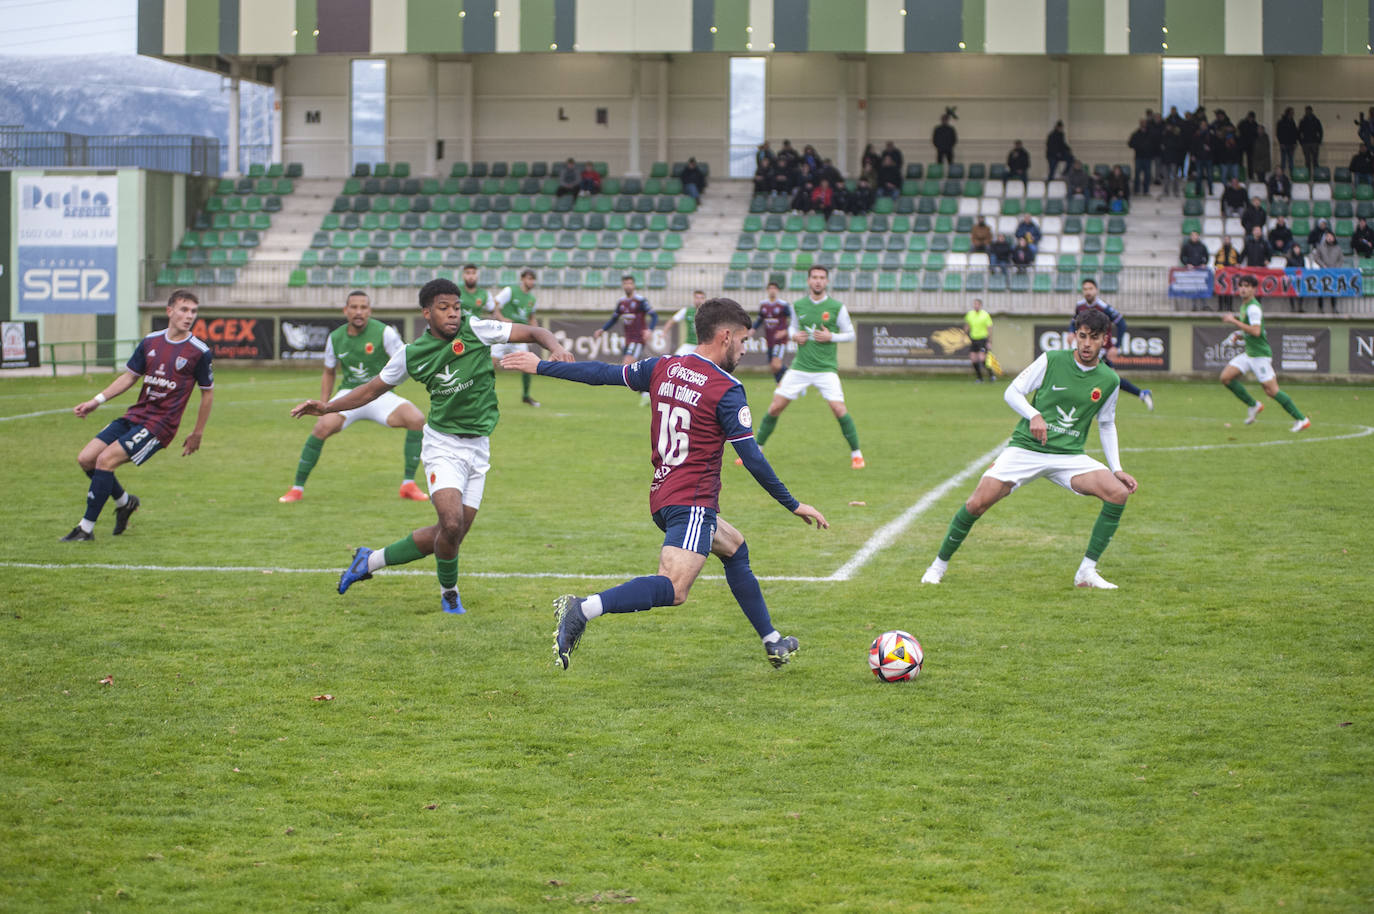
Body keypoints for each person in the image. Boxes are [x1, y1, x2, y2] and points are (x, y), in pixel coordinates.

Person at [499, 298, 829, 671]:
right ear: (725, 336)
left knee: (735, 549)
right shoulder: (726, 388)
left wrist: (543, 366)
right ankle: (583, 608)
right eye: (743, 340)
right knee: (674, 588)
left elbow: (601, 374)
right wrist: (793, 504)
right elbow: (752, 457)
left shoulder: (664, 367)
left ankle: (773, 641)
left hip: (664, 493)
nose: (744, 348)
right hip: (692, 501)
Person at [296, 278, 572, 615]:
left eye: (456, 307)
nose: (453, 314)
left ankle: (369, 560)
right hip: (442, 445)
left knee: (450, 536)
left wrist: (554, 347)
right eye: (444, 308)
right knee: (451, 524)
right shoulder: (410, 355)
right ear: (427, 313)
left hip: (479, 448)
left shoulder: (477, 329)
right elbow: (370, 390)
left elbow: (532, 332)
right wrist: (327, 407)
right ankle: (450, 594)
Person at [920, 307, 1137, 590]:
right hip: (1026, 449)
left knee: (1118, 493)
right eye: (1082, 336)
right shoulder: (1052, 360)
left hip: (1069, 456)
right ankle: (938, 566)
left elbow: (1106, 424)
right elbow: (1012, 391)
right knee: (976, 503)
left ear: (1104, 339)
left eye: (1094, 338)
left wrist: (1116, 468)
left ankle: (1086, 571)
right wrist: (1033, 414)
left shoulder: (1109, 380)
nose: (1086, 344)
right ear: (1074, 336)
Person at [62, 289, 214, 542]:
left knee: (105, 461)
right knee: (86, 459)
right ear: (169, 311)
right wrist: (96, 401)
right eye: (184, 310)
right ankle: (124, 502)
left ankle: (85, 529)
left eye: (194, 311)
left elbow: (207, 394)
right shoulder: (150, 342)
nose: (189, 316)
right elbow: (130, 376)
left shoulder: (198, 351)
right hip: (137, 414)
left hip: (160, 424)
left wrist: (197, 433)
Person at [279, 290, 429, 504]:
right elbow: (329, 371)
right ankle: (297, 488)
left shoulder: (385, 333)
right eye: (354, 307)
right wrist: (324, 404)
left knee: (416, 419)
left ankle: (408, 484)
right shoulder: (335, 338)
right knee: (321, 428)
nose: (359, 312)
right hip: (349, 395)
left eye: (363, 307)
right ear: (346, 310)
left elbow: (404, 359)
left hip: (379, 394)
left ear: (370, 310)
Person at [755, 266, 865, 469]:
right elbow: (792, 327)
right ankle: (755, 451)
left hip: (826, 369)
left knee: (839, 409)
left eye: (822, 278)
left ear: (827, 282)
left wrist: (832, 336)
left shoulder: (836, 307)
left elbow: (851, 334)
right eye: (814, 277)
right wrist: (794, 335)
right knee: (775, 406)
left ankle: (856, 454)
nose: (818, 281)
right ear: (808, 281)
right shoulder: (798, 305)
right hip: (800, 367)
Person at [1219, 274, 1310, 433]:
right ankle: (1254, 405)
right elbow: (1250, 329)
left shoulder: (1253, 308)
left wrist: (1234, 321)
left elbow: (1256, 331)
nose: (1243, 289)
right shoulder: (1244, 306)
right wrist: (1238, 334)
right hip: (1250, 354)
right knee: (1226, 377)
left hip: (1260, 356)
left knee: (1272, 391)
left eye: (1247, 286)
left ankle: (1302, 419)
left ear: (1254, 289)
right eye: (1241, 285)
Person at [1072, 279, 1153, 411]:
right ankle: (1141, 394)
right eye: (1085, 289)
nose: (1088, 292)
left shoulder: (1104, 307)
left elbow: (1121, 323)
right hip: (1088, 349)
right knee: (1106, 378)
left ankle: (1139, 394)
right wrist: (1071, 332)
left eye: (1090, 288)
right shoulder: (1080, 306)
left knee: (1109, 378)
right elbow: (1074, 321)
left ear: (1096, 290)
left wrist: (1116, 346)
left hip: (1101, 350)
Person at [594, 275, 658, 404]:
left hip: (638, 338)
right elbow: (614, 319)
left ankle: (647, 392)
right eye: (626, 283)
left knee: (626, 365)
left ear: (634, 285)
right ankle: (647, 392)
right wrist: (603, 329)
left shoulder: (640, 301)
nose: (628, 286)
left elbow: (654, 315)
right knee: (636, 368)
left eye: (630, 283)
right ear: (623, 285)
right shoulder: (621, 302)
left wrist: (649, 329)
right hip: (628, 339)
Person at [488, 268, 543, 407]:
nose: (531, 281)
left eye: (533, 279)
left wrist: (537, 333)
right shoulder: (510, 291)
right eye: (529, 278)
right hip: (503, 333)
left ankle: (526, 396)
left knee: (527, 364)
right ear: (523, 279)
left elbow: (531, 318)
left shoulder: (532, 299)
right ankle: (485, 395)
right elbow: (494, 304)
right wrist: (501, 318)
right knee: (492, 363)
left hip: (520, 335)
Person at [752, 281, 793, 384]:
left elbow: (794, 320)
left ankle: (794, 379)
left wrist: (786, 331)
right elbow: (759, 320)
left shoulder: (783, 305)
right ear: (767, 290)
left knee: (776, 364)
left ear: (777, 290)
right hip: (769, 339)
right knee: (772, 365)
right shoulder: (763, 305)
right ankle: (781, 384)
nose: (772, 290)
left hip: (780, 340)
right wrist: (752, 330)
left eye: (774, 288)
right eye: (770, 288)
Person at [1310, 231, 1344, 313]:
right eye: (1327, 236)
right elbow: (1316, 258)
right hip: (1323, 271)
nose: (1329, 238)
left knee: (1334, 290)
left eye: (1331, 236)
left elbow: (1341, 259)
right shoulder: (1320, 247)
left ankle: (1334, 308)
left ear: (1334, 238)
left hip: (1334, 271)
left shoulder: (1338, 248)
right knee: (1321, 290)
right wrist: (1323, 265)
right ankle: (1320, 308)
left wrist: (1336, 267)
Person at [666, 289, 707, 355]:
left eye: (701, 298)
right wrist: (663, 333)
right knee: (677, 357)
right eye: (697, 297)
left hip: (703, 345)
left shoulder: (709, 312)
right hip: (689, 343)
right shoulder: (687, 311)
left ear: (705, 299)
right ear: (693, 299)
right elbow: (672, 320)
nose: (699, 300)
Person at [964, 299, 993, 383]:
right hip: (973, 339)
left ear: (980, 305)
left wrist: (989, 341)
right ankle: (980, 378)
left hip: (982, 339)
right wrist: (964, 334)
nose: (975, 306)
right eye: (974, 304)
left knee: (982, 358)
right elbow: (967, 325)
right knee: (973, 359)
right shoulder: (970, 314)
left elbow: (989, 328)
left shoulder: (985, 315)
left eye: (977, 304)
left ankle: (991, 375)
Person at [1128, 120, 1154, 196]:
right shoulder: (1135, 134)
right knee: (1137, 175)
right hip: (1138, 157)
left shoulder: (1150, 134)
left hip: (1148, 157)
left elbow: (1154, 144)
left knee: (1147, 175)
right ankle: (1136, 190)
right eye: (1142, 123)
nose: (1143, 124)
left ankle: (1146, 191)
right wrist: (1138, 146)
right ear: (1140, 124)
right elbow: (1130, 144)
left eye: (1145, 123)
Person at [1298, 106, 1323, 172]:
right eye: (1307, 111)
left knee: (1315, 160)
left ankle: (1316, 175)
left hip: (1314, 142)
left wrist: (1319, 141)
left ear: (1311, 111)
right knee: (1307, 161)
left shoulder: (1316, 120)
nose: (1308, 112)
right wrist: (1301, 142)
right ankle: (1308, 175)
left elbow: (1320, 131)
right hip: (1306, 143)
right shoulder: (1302, 121)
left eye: (1309, 111)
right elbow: (1299, 132)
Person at [1276, 107, 1298, 175]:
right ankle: (1282, 175)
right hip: (1284, 144)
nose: (1293, 114)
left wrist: (1295, 142)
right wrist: (1281, 142)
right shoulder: (1281, 122)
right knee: (1283, 161)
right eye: (1292, 112)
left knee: (1291, 161)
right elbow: (1278, 133)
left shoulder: (1292, 122)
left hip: (1291, 144)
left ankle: (1292, 175)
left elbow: (1295, 133)